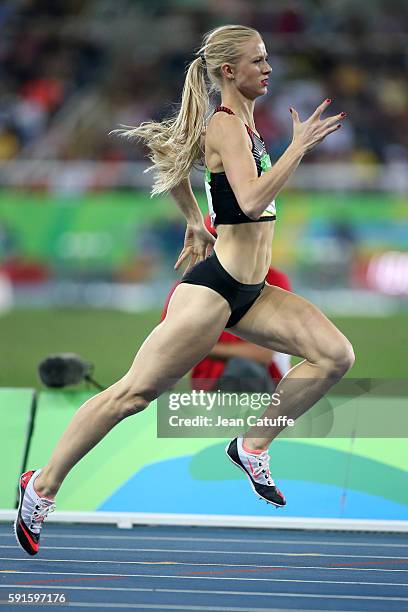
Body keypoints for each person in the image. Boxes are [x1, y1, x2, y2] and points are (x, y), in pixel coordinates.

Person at [15, 24, 354, 556]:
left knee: (334, 355)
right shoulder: (227, 127)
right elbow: (250, 199)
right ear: (228, 71)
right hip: (214, 292)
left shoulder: (239, 122)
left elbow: (166, 151)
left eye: (267, 60)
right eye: (258, 60)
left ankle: (252, 444)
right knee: (132, 394)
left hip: (254, 290)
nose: (268, 68)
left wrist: (195, 220)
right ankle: (41, 486)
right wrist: (299, 148)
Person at [161, 215, 292, 392]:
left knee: (242, 370)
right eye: (212, 241)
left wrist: (199, 346)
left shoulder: (273, 280)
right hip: (210, 387)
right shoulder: (186, 288)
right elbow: (167, 353)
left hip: (262, 383)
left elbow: (263, 354)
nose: (215, 248)